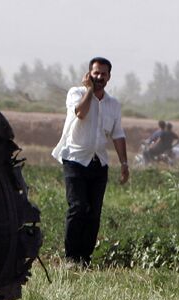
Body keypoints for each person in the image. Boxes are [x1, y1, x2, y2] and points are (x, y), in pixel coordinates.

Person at [52, 57, 129, 267]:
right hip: (75, 159)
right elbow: (80, 113)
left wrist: (124, 164)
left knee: (94, 213)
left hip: (99, 162)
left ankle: (84, 259)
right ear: (89, 74)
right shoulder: (76, 94)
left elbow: (118, 134)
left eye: (103, 74)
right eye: (96, 73)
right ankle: (70, 257)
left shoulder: (113, 105)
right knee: (78, 207)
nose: (99, 77)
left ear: (109, 77)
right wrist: (88, 91)